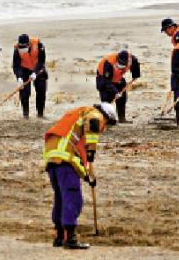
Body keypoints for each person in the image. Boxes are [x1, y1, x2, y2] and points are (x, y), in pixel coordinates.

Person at [43, 102, 117, 249]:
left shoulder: (77, 115)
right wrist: (92, 150)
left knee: (61, 197)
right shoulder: (94, 113)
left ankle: (59, 237)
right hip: (63, 156)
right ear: (106, 117)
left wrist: (86, 176)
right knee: (72, 197)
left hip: (52, 156)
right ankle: (70, 239)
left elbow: (77, 159)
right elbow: (94, 123)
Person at [95, 49, 140, 123]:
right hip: (104, 78)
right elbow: (107, 82)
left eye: (123, 64)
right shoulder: (108, 63)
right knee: (107, 98)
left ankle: (122, 118)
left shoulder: (131, 60)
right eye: (120, 63)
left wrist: (136, 75)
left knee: (122, 97)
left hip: (118, 78)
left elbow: (136, 64)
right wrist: (115, 92)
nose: (121, 65)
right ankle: (107, 118)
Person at [12, 34, 48, 119]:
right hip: (24, 69)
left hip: (39, 69)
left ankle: (40, 114)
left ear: (28, 45)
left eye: (24, 47)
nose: (22, 50)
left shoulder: (39, 45)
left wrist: (35, 72)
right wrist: (19, 77)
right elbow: (16, 65)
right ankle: (25, 114)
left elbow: (41, 61)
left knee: (41, 90)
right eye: (20, 47)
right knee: (24, 92)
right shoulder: (17, 49)